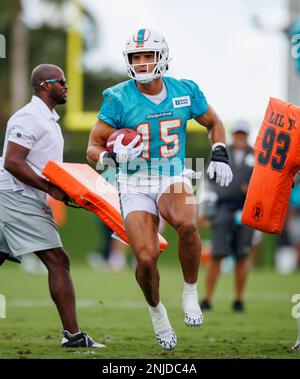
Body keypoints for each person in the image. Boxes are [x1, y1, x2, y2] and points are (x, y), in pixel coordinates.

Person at [87, 28, 233, 350]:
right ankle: (156, 312)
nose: (141, 63)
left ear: (162, 56)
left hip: (172, 174)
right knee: (146, 259)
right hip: (134, 180)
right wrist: (112, 156)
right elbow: (92, 148)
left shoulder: (185, 90)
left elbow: (214, 122)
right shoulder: (118, 96)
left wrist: (220, 150)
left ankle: (190, 291)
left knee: (187, 223)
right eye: (135, 57)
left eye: (147, 55)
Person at [0, 64, 104, 348]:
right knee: (58, 260)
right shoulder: (29, 117)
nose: (66, 86)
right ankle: (73, 336)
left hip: (14, 194)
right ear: (46, 85)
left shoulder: (46, 118)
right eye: (62, 82)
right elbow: (13, 161)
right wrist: (50, 189)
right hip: (15, 195)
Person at [200, 120, 254, 312]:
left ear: (247, 135)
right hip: (222, 208)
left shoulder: (256, 155)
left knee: (242, 254)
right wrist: (204, 210)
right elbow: (208, 182)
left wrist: (252, 190)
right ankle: (207, 298)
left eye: (243, 134)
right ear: (233, 134)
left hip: (245, 209)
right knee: (217, 253)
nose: (240, 137)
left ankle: (238, 298)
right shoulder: (220, 152)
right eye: (237, 133)